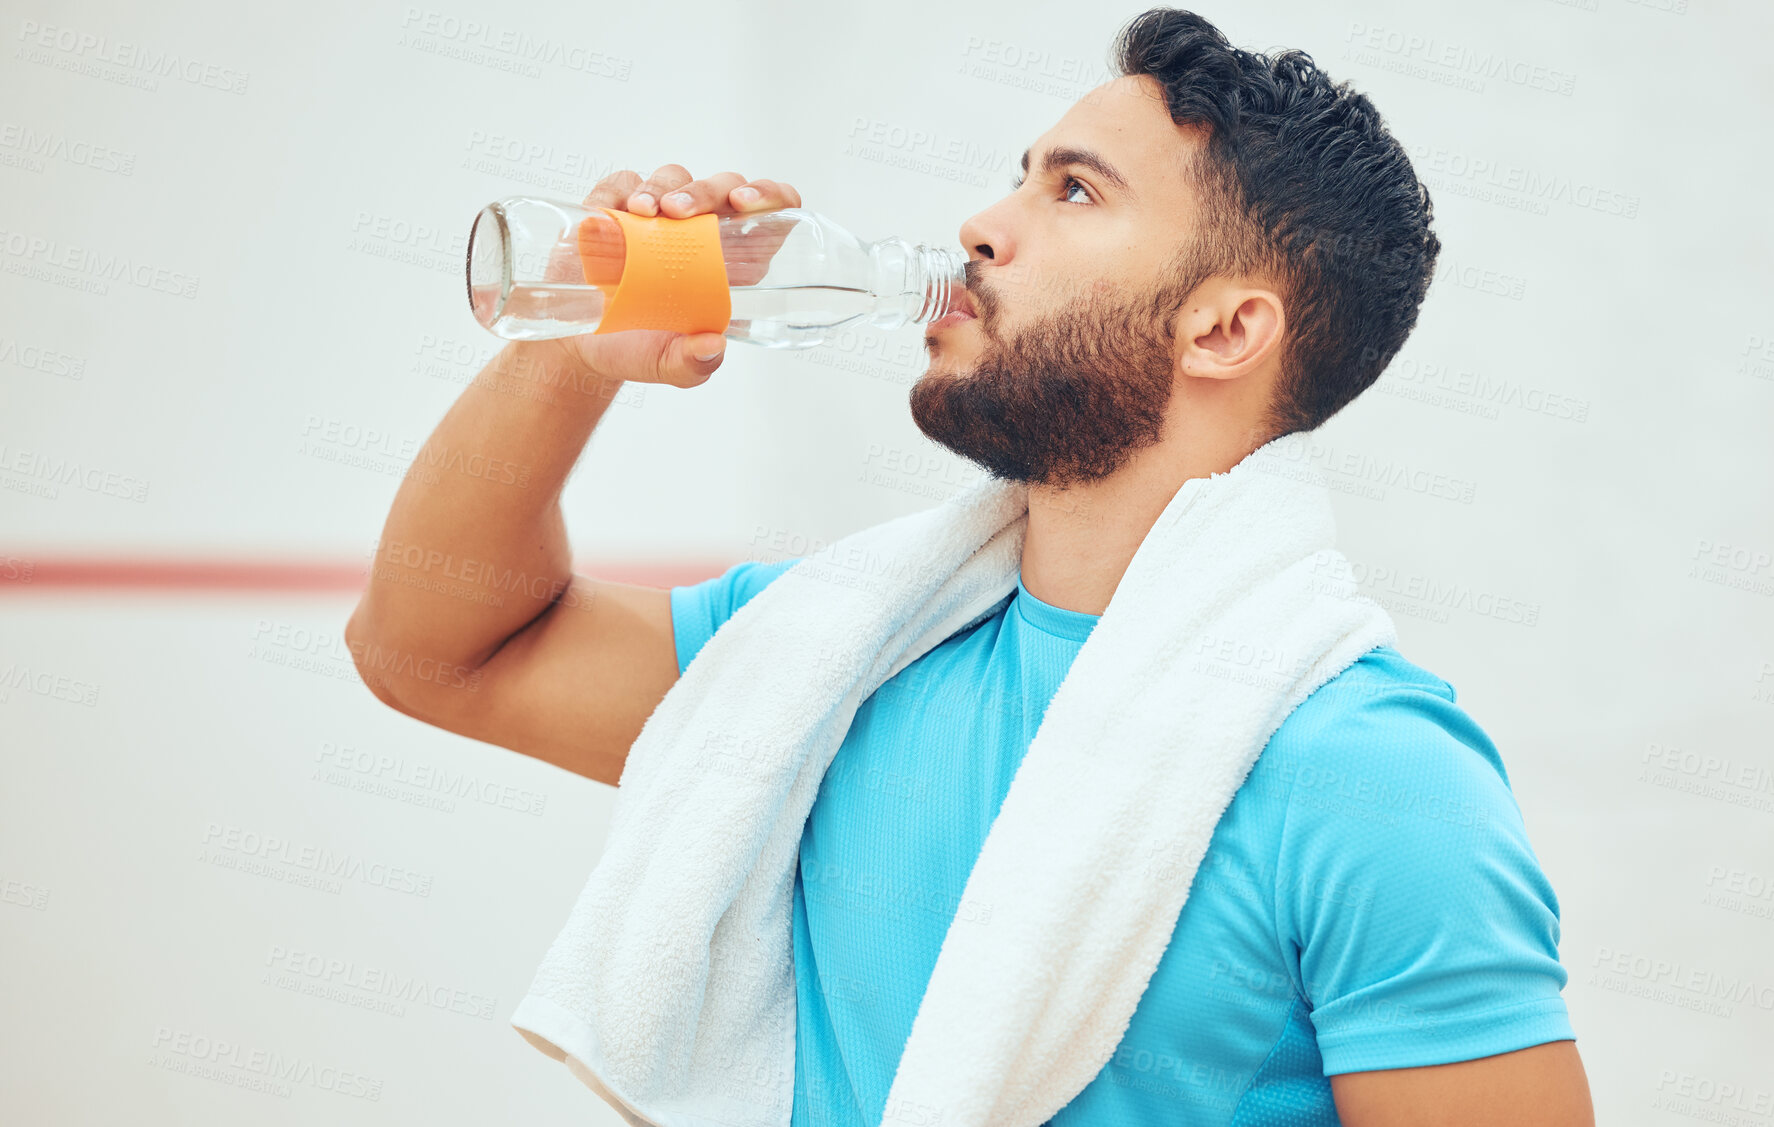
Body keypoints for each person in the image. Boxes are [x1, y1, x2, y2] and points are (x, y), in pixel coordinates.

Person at [345, 8, 1594, 1124]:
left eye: (1075, 194)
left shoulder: (1376, 780)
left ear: (1223, 326)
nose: (981, 226)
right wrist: (575, 336)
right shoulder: (828, 662)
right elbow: (431, 654)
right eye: (1020, 178)